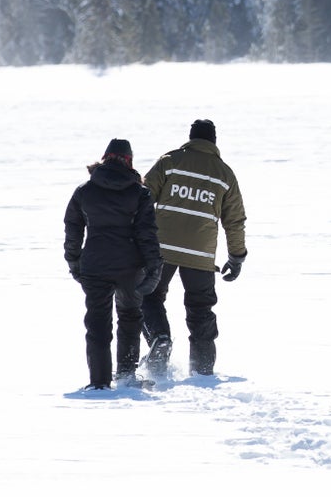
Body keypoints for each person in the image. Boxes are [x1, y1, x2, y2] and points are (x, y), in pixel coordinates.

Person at [141, 118, 247, 377]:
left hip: (162, 248)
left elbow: (141, 199)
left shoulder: (170, 161)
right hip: (200, 254)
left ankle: (159, 338)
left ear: (190, 138)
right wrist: (236, 257)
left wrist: (133, 240)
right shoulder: (225, 174)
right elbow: (234, 220)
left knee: (148, 297)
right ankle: (202, 370)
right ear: (214, 141)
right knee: (201, 308)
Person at [64, 138, 162, 391]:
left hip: (94, 265)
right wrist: (154, 267)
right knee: (129, 317)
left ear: (105, 158)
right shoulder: (140, 193)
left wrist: (74, 261)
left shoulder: (85, 191)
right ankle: (127, 376)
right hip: (130, 267)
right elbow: (147, 234)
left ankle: (98, 382)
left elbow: (73, 229)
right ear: (129, 161)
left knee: (97, 323)